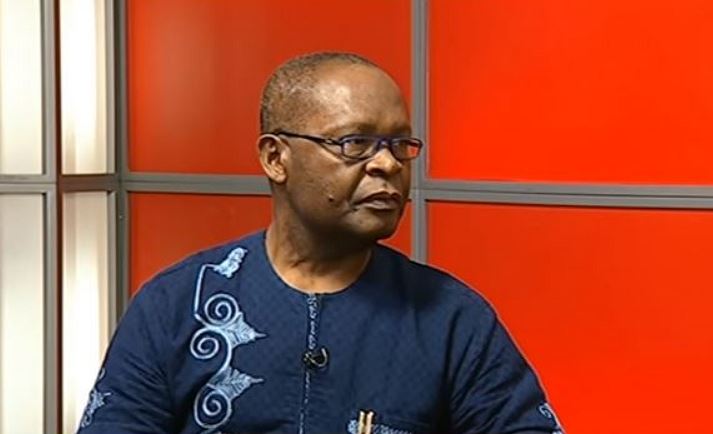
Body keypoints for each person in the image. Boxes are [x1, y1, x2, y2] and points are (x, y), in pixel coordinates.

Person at [77, 52, 564, 434]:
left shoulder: (452, 320)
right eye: (355, 143)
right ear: (276, 158)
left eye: (400, 145)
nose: (387, 164)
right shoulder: (174, 306)